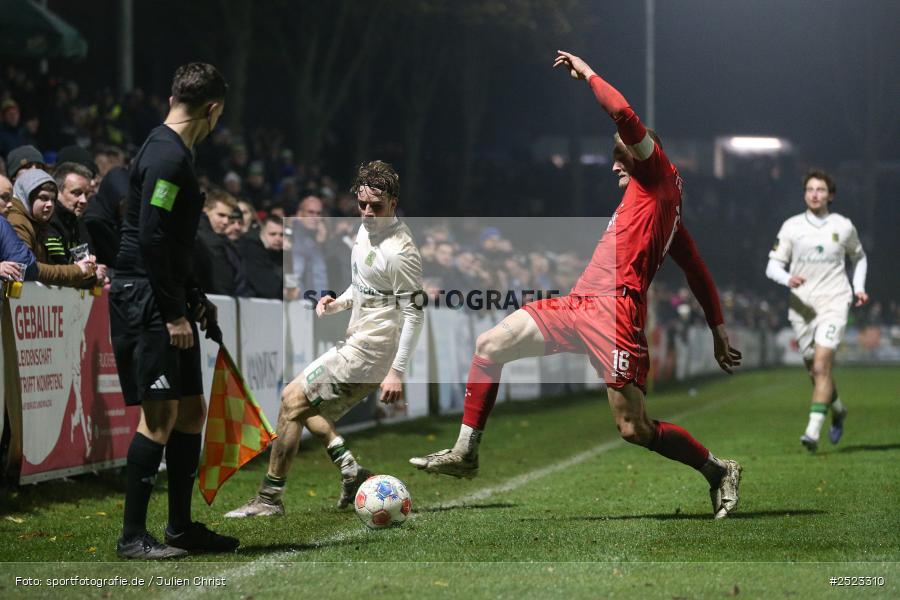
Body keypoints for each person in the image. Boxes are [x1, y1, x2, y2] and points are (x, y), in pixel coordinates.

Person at [411, 51, 744, 520]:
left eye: (619, 156)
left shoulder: (657, 178)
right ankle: (465, 452)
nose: (613, 167)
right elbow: (697, 270)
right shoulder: (659, 206)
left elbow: (623, 113)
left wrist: (586, 74)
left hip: (615, 316)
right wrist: (718, 328)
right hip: (578, 304)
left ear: (645, 152)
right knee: (490, 344)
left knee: (634, 429)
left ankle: (717, 470)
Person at [225, 160, 424, 518]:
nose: (366, 213)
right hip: (358, 341)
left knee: (291, 399)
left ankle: (269, 499)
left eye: (375, 207)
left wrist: (396, 370)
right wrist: (339, 303)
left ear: (393, 203)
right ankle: (350, 470)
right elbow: (365, 285)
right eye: (361, 204)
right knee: (301, 405)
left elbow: (414, 312)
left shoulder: (402, 251)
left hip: (371, 352)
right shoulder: (366, 231)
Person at [110, 62, 237, 559]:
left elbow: (171, 242)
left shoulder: (171, 151)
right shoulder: (166, 156)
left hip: (164, 291)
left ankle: (181, 527)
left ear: (171, 99)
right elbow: (151, 237)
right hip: (145, 296)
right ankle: (131, 538)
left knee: (191, 411)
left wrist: (194, 298)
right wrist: (172, 311)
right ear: (213, 109)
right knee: (159, 417)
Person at [765, 169, 866, 452]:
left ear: (830, 195)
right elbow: (772, 265)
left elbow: (859, 258)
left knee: (822, 366)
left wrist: (858, 287)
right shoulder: (791, 227)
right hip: (801, 307)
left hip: (834, 302)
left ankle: (812, 431)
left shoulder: (843, 226)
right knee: (815, 372)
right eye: (810, 189)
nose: (814, 194)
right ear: (805, 193)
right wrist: (787, 278)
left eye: (820, 189)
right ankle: (838, 409)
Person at [7, 169, 97, 287]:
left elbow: (48, 267)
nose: (49, 205)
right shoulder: (18, 221)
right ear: (28, 197)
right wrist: (77, 270)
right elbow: (25, 268)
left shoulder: (39, 222)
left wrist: (86, 271)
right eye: (43, 198)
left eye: (52, 200)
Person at [195, 188, 250, 296]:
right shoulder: (208, 240)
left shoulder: (220, 240)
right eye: (221, 215)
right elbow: (221, 283)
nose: (225, 222)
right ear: (205, 210)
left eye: (228, 217)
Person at [239, 214, 283, 299]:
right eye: (272, 234)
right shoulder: (251, 249)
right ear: (261, 232)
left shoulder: (282, 253)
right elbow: (269, 290)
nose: (278, 238)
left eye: (282, 235)